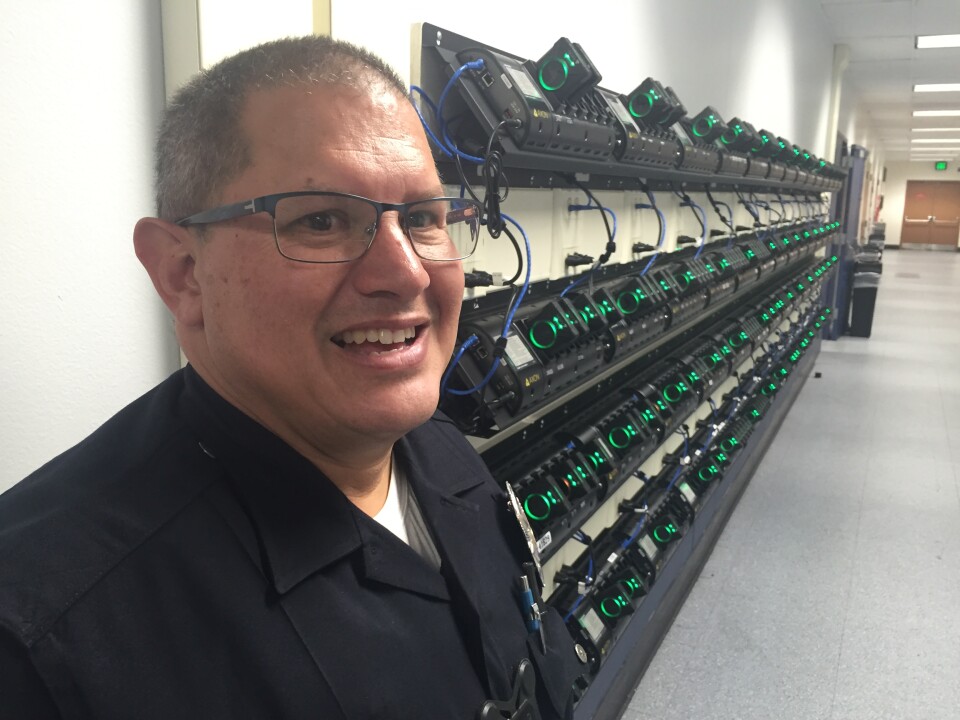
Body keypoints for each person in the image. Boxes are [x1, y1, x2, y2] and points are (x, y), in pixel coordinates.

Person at [0, 36, 583, 719]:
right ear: (183, 273)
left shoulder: (435, 445)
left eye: (424, 218)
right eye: (323, 221)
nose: (406, 272)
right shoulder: (48, 646)